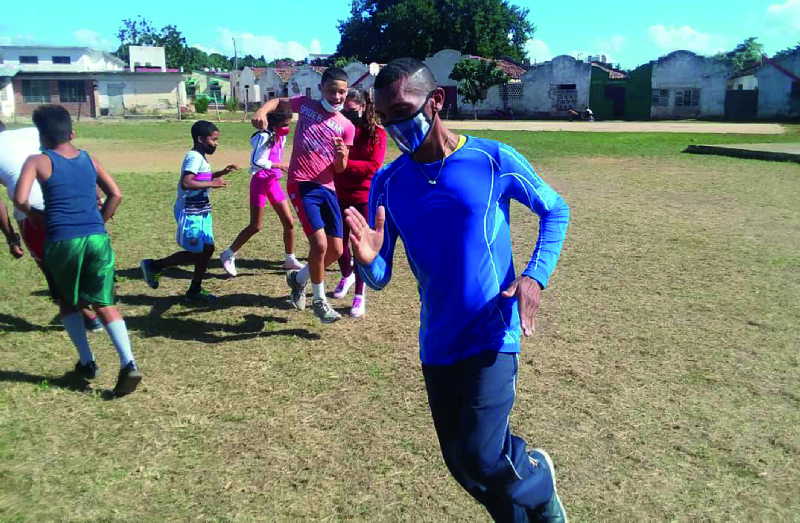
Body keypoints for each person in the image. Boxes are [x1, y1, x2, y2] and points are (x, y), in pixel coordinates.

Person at [345, 58, 571, 522]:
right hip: (437, 340)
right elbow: (383, 276)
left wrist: (535, 275)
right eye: (386, 118)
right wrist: (368, 262)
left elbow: (555, 210)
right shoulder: (389, 183)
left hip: (493, 333)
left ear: (437, 101)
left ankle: (540, 482)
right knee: (464, 464)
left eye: (404, 110)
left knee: (485, 455)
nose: (396, 126)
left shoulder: (491, 160)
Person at [14, 105, 142, 396]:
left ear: (41, 135)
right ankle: (128, 362)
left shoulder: (37, 160)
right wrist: (101, 220)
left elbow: (20, 200)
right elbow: (116, 194)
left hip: (62, 240)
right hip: (97, 237)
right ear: (72, 132)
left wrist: (37, 215)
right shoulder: (89, 159)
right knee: (104, 301)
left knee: (68, 301)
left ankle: (87, 362)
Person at [251, 68, 355, 323]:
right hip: (302, 183)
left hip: (327, 188)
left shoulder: (347, 126)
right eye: (332, 90)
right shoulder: (306, 106)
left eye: (342, 91)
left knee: (337, 249)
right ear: (321, 88)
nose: (337, 96)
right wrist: (262, 111)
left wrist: (341, 157)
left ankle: (298, 279)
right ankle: (319, 301)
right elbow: (279, 102)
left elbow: (340, 168)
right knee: (319, 244)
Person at [0, 120, 103, 332]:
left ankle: (88, 316)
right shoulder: (32, 132)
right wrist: (95, 194)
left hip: (32, 209)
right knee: (82, 256)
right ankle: (97, 309)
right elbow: (70, 156)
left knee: (50, 267)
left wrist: (11, 237)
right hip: (71, 200)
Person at [139, 120, 238, 301]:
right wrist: (212, 183)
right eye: (213, 140)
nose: (216, 144)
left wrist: (220, 173)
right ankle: (154, 266)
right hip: (190, 210)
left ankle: (195, 290)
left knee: (207, 249)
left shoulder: (200, 157)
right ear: (200, 139)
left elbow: (200, 177)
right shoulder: (193, 157)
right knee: (197, 251)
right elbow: (187, 182)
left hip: (201, 208)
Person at [220, 102, 303, 276]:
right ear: (274, 123)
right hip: (260, 182)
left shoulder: (280, 136)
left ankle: (289, 258)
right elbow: (257, 161)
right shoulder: (264, 137)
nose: (288, 128)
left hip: (273, 182)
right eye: (285, 124)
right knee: (255, 226)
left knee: (289, 222)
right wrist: (280, 165)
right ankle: (228, 254)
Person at [332, 88, 387, 317]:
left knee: (358, 245)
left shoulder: (378, 134)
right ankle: (347, 274)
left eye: (353, 110)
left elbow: (373, 166)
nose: (348, 114)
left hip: (362, 196)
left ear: (364, 107)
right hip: (336, 191)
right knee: (337, 245)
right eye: (345, 109)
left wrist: (345, 163)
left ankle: (359, 295)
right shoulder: (340, 127)